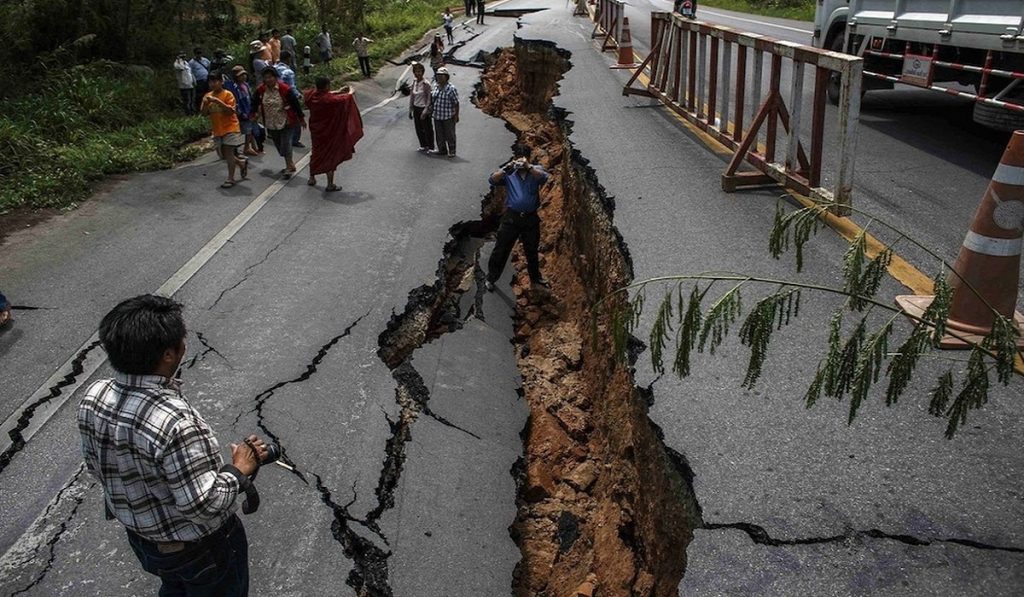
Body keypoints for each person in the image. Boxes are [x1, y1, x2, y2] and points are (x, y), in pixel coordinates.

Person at [78, 294, 271, 597]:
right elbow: (203, 506)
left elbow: (96, 467)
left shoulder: (95, 395)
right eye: (182, 338)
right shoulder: (175, 422)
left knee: (175, 587)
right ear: (169, 354)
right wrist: (239, 468)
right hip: (200, 549)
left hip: (144, 541)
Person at [485, 153, 551, 291]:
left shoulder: (535, 170)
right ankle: (491, 277)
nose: (520, 164)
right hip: (511, 218)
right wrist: (506, 168)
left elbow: (545, 177)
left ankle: (535, 279)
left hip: (530, 218)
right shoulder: (509, 173)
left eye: (523, 161)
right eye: (518, 161)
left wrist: (529, 167)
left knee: (532, 249)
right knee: (501, 249)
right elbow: (492, 180)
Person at [304, 77, 363, 192]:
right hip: (328, 132)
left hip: (316, 130)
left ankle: (312, 178)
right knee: (329, 155)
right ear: (327, 86)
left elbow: (326, 94)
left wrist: (339, 91)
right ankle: (330, 184)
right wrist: (350, 91)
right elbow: (346, 98)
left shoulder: (311, 96)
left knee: (316, 152)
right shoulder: (329, 100)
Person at [252, 66, 306, 179]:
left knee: (286, 143)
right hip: (271, 122)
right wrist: (253, 114)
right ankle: (289, 162)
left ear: (275, 77)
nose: (268, 80)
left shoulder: (284, 89)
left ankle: (288, 166)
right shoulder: (261, 90)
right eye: (266, 78)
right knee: (279, 145)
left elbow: (295, 104)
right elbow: (254, 102)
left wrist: (301, 119)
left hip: (286, 120)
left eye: (270, 77)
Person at [202, 73, 249, 188]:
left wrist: (217, 101)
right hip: (217, 129)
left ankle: (230, 178)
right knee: (223, 155)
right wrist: (206, 104)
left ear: (221, 82)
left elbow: (230, 111)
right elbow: (203, 113)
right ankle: (241, 163)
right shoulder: (207, 96)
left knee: (229, 153)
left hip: (230, 127)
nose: (213, 84)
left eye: (216, 81)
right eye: (211, 82)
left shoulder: (227, 94)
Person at [226, 66, 259, 156]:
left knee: (250, 129)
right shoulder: (234, 87)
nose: (243, 77)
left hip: (248, 109)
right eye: (240, 75)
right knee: (247, 130)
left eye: (244, 75)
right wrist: (240, 112)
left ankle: (252, 146)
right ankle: (246, 148)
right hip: (242, 111)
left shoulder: (246, 85)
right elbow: (236, 101)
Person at [276, 51, 304, 147]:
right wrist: (299, 95)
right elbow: (292, 87)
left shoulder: (275, 68)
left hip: (277, 97)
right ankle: (295, 140)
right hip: (289, 98)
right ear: (288, 59)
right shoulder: (288, 72)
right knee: (295, 118)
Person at [429, 67, 459, 157]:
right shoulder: (435, 86)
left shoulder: (451, 89)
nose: (439, 78)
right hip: (437, 115)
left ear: (446, 77)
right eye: (438, 76)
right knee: (439, 134)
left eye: (441, 76)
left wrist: (456, 115)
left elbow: (456, 103)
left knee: (450, 134)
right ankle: (442, 149)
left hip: (448, 116)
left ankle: (452, 150)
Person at [408, 62, 434, 152]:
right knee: (418, 128)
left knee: (427, 128)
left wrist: (426, 110)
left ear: (423, 72)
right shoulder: (414, 82)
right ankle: (423, 145)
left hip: (423, 108)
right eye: (416, 71)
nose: (417, 73)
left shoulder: (426, 84)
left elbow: (429, 98)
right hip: (416, 107)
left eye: (419, 71)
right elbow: (412, 96)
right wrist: (410, 109)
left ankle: (431, 146)